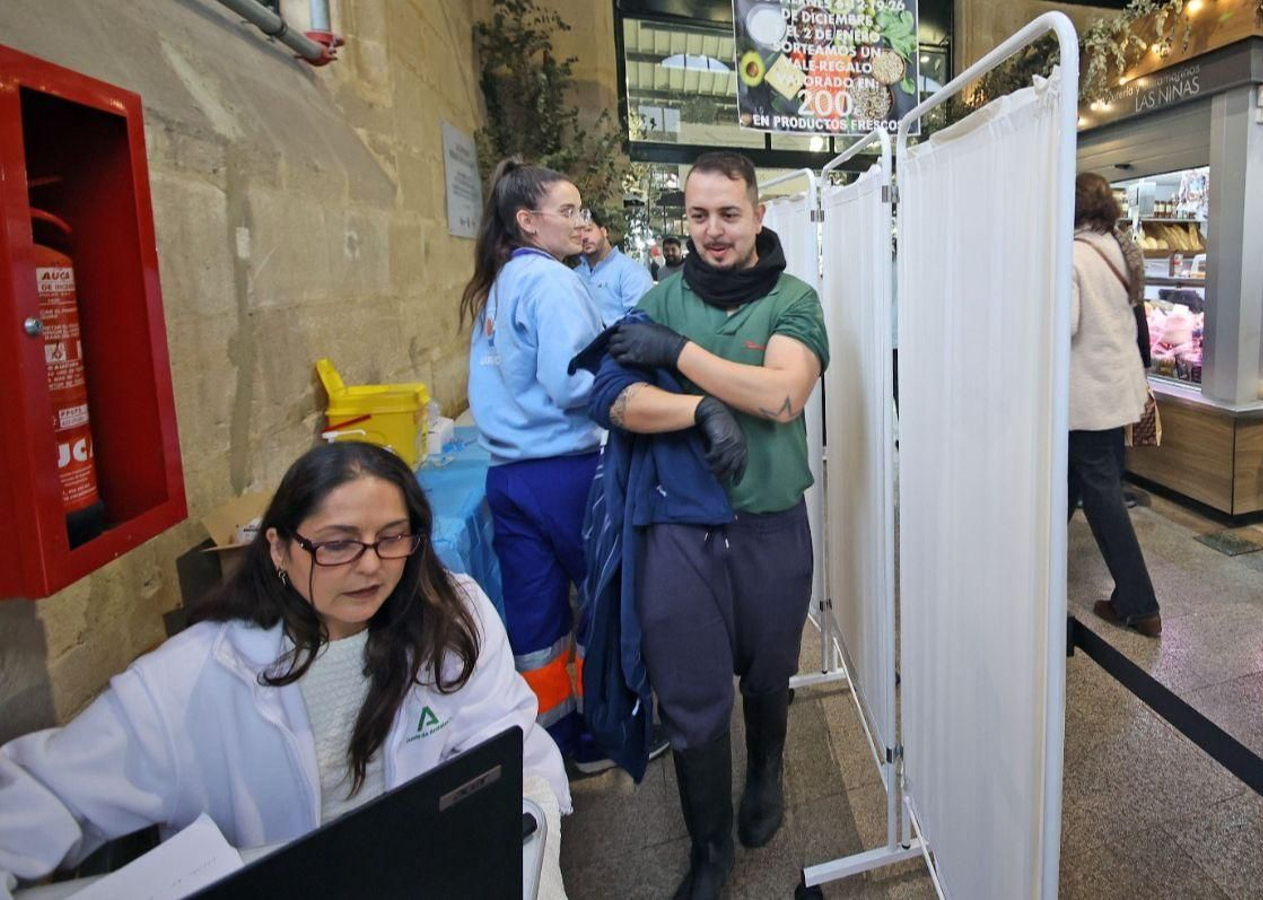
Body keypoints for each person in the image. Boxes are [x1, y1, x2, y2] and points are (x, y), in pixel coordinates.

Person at [0, 442, 570, 899]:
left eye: (391, 538)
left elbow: (511, 749)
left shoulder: (451, 619)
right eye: (337, 544)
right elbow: (39, 797)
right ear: (277, 547)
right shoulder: (190, 677)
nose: (370, 566)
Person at [596, 150, 827, 898]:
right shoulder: (661, 298)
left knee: (768, 670)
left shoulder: (794, 300)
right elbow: (612, 398)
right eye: (698, 215)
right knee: (692, 696)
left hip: (768, 526)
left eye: (729, 213)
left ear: (760, 215)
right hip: (679, 533)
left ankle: (764, 771)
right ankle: (709, 850)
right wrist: (698, 408)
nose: (713, 231)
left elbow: (783, 397)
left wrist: (679, 357)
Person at [460, 159, 614, 773]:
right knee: (606, 600)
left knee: (538, 619)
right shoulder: (550, 282)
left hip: (509, 476)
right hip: (566, 473)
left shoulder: (499, 283)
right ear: (528, 221)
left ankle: (552, 739)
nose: (582, 223)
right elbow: (571, 381)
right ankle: (608, 733)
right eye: (569, 210)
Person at [1073, 173, 1162, 637]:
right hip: (1113, 391)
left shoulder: (1072, 255)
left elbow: (1062, 325)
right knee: (1074, 486)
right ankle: (1030, 571)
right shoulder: (1117, 249)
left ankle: (1139, 601)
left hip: (1086, 398)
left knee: (1103, 496)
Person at [575, 209, 654, 326]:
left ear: (604, 231)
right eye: (579, 233)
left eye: (588, 230)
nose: (584, 237)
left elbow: (641, 324)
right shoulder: (575, 275)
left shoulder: (631, 272)